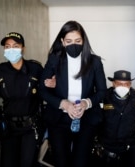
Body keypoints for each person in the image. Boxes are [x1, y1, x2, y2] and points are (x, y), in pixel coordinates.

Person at [39, 20, 107, 167]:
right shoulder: (54, 59)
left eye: (78, 40)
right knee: (61, 161)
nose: (73, 44)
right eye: (69, 41)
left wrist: (86, 103)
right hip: (58, 120)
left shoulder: (94, 62)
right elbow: (42, 90)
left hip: (86, 120)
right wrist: (63, 104)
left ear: (83, 41)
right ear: (62, 41)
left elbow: (102, 92)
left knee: (81, 162)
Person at [0, 32, 44, 167]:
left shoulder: (35, 68)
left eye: (15, 46)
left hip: (30, 127)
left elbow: (45, 94)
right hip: (9, 128)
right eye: (7, 46)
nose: (11, 49)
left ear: (23, 48)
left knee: (27, 163)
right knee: (8, 163)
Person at [97, 70, 135, 167]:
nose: (123, 87)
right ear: (113, 84)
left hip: (130, 145)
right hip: (108, 146)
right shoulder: (104, 97)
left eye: (126, 84)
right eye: (119, 84)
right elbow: (96, 120)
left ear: (130, 85)